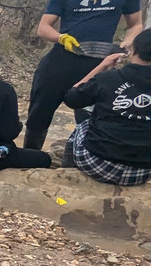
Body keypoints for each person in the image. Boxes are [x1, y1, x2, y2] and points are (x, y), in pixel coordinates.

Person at [24, 0, 143, 151]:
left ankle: (83, 156)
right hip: (61, 60)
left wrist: (127, 42)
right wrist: (61, 38)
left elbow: (135, 24)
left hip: (98, 62)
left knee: (89, 115)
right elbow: (43, 27)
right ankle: (30, 155)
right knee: (40, 110)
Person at [61, 29, 151, 186]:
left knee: (83, 125)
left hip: (96, 164)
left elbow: (72, 98)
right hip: (142, 172)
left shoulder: (109, 78)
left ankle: (68, 176)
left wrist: (102, 66)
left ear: (133, 51)